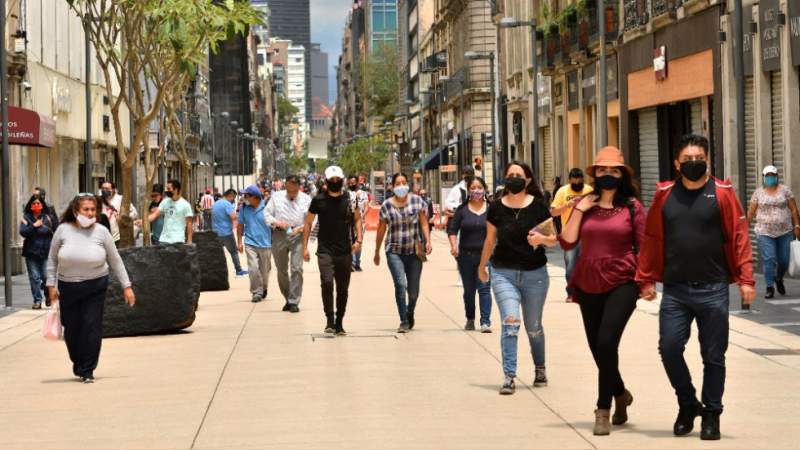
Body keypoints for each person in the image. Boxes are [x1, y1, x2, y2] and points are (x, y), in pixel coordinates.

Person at [637, 134, 756, 441]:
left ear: (708, 160)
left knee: (714, 356)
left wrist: (746, 279)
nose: (693, 164)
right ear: (677, 163)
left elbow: (740, 235)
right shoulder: (665, 194)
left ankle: (712, 415)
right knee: (669, 347)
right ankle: (688, 403)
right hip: (675, 290)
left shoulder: (722, 193)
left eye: (698, 158)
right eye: (687, 160)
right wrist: (646, 277)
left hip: (713, 288)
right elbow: (651, 238)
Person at [559, 147, 648, 436]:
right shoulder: (585, 203)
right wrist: (580, 209)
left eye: (613, 170)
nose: (607, 175)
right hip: (588, 281)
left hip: (623, 280)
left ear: (622, 175)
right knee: (598, 347)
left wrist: (647, 281)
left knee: (607, 342)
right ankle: (621, 392)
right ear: (594, 174)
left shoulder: (632, 207)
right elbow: (568, 241)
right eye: (602, 170)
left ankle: (603, 409)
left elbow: (644, 246)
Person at [478, 161, 557, 395]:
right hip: (503, 273)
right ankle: (509, 375)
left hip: (535, 275)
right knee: (510, 323)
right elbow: (490, 240)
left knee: (533, 327)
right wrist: (482, 266)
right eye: (510, 174)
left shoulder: (539, 206)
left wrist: (540, 240)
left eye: (518, 175)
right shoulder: (495, 208)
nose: (514, 178)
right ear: (504, 178)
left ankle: (540, 367)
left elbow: (553, 238)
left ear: (528, 180)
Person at [46, 194, 135, 383]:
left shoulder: (102, 232)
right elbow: (52, 260)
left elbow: (115, 260)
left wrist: (126, 286)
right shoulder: (62, 230)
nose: (90, 213)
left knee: (91, 326)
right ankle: (78, 362)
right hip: (68, 286)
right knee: (71, 328)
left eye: (93, 209)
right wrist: (50, 284)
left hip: (95, 285)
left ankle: (87, 369)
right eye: (86, 209)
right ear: (75, 210)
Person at [303, 166, 362, 335]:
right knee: (327, 283)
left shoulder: (350, 199)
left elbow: (357, 220)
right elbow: (308, 222)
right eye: (332, 180)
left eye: (338, 179)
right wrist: (305, 247)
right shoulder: (318, 200)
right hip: (325, 250)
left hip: (345, 250)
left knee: (343, 288)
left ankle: (339, 321)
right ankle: (329, 319)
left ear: (342, 180)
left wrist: (359, 239)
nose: (335, 182)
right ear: (327, 181)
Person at [375, 173, 433, 333]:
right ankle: (403, 320)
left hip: (414, 251)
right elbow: (381, 229)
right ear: (392, 187)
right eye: (398, 183)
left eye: (404, 182)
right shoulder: (386, 205)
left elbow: (424, 223)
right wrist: (377, 251)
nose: (401, 186)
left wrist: (428, 240)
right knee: (400, 285)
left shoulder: (417, 201)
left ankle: (410, 311)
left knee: (413, 292)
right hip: (394, 251)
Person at [747, 165, 800, 298]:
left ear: (776, 176)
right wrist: (744, 227)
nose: (770, 178)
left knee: (784, 260)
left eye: (772, 175)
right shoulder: (758, 193)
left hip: (785, 231)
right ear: (763, 177)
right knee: (769, 258)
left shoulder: (785, 191)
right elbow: (751, 212)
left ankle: (779, 278)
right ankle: (769, 287)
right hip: (764, 231)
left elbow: (793, 209)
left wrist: (797, 225)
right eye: (767, 176)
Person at [447, 176, 492, 332]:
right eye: (473, 188)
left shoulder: (491, 209)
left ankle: (485, 321)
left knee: (485, 288)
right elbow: (452, 230)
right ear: (468, 190)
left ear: (485, 189)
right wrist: (454, 246)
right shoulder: (462, 210)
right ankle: (470, 318)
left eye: (479, 187)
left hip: (485, 256)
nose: (476, 191)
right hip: (465, 256)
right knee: (469, 291)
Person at [265, 175, 311, 312]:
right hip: (279, 234)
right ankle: (288, 297)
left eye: (294, 191)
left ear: (299, 187)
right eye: (289, 191)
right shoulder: (276, 197)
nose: (292, 194)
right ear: (285, 186)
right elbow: (266, 214)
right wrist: (276, 222)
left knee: (297, 268)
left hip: (298, 235)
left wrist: (302, 228)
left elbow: (311, 219)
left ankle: (294, 301)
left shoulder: (306, 199)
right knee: (281, 270)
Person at [551, 168, 594, 301]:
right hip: (569, 234)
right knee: (571, 265)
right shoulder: (562, 191)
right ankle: (571, 293)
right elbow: (553, 212)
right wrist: (567, 205)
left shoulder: (589, 191)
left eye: (579, 180)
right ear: (570, 180)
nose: (577, 182)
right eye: (574, 180)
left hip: (588, 234)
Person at [20, 194, 58, 309]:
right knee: (34, 277)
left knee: (46, 276)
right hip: (31, 252)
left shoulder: (48, 218)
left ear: (42, 205)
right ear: (30, 205)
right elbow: (23, 232)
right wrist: (35, 226)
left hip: (46, 252)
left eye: (38, 203)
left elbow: (57, 232)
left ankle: (47, 296)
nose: (36, 205)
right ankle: (37, 300)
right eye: (34, 203)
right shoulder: (26, 217)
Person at [237, 185, 273, 303]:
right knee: (253, 268)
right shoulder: (244, 208)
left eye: (246, 196)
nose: (244, 198)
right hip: (250, 243)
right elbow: (240, 225)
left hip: (266, 244)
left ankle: (264, 287)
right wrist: (239, 242)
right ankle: (256, 292)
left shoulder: (267, 207)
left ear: (255, 197)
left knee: (265, 271)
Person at [212, 189, 247, 277]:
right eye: (233, 198)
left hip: (216, 232)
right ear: (230, 195)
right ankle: (239, 270)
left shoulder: (216, 203)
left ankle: (217, 272)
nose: (233, 200)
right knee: (233, 251)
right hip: (226, 232)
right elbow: (233, 216)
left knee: (218, 253)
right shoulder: (227, 204)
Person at [148, 180, 194, 245]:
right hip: (164, 240)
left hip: (178, 240)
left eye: (169, 189)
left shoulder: (185, 205)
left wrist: (189, 240)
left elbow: (189, 223)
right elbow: (155, 214)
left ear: (176, 190)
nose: (167, 191)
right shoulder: (165, 202)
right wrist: (144, 221)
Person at [347, 175, 370, 271]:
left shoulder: (363, 194)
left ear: (357, 183)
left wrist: (363, 215)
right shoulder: (346, 194)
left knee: (359, 241)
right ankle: (351, 262)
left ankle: (357, 263)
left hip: (361, 221)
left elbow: (366, 206)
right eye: (350, 183)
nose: (351, 184)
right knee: (350, 240)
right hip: (349, 221)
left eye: (353, 182)